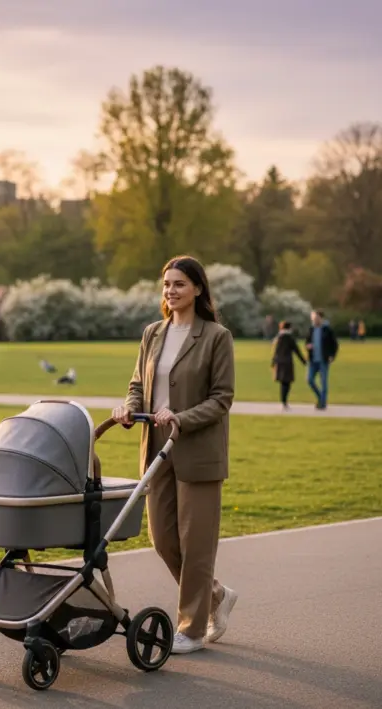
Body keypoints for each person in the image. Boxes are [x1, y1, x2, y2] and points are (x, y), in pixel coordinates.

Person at [111, 254, 238, 655]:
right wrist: (130, 407)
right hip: (156, 449)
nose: (171, 290)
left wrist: (182, 417)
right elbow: (138, 383)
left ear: (198, 289)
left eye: (179, 283)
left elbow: (222, 398)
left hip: (197, 451)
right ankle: (216, 594)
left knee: (196, 543)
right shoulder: (152, 333)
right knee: (164, 539)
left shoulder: (217, 337)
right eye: (166, 284)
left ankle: (192, 628)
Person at [304, 310, 339, 410]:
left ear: (321, 318)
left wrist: (332, 355)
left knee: (323, 382)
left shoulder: (327, 330)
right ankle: (320, 397)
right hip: (313, 360)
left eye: (316, 318)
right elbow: (307, 342)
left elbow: (335, 344)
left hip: (323, 359)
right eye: (313, 318)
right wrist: (308, 346)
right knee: (309, 380)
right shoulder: (311, 329)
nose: (314, 320)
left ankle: (322, 404)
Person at [271, 320, 306, 411]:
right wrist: (304, 361)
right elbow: (296, 350)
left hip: (279, 362)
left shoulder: (278, 337)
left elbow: (275, 351)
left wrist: (273, 362)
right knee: (287, 383)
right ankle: (284, 402)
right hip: (287, 363)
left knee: (283, 383)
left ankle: (283, 401)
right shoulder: (289, 338)